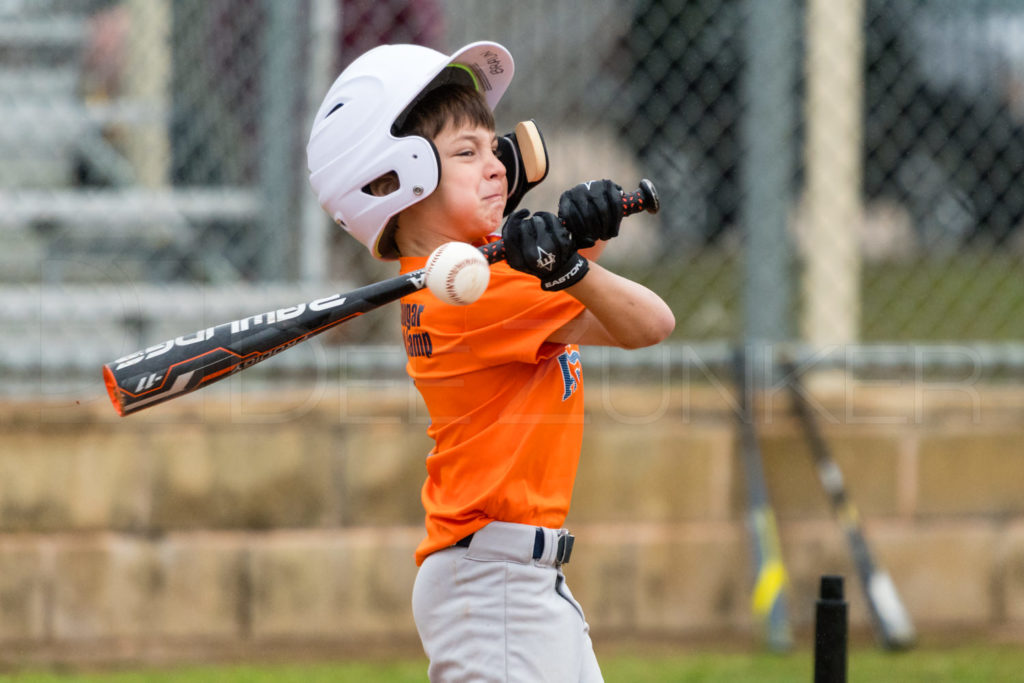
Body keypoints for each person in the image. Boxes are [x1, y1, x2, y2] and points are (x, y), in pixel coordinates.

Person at [307, 40, 675, 682]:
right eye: (465, 153)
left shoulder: (460, 279)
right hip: (498, 583)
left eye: (493, 146)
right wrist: (573, 266)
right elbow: (652, 325)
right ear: (398, 179)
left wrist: (578, 253)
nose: (497, 165)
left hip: (502, 579)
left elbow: (611, 318)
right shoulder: (476, 293)